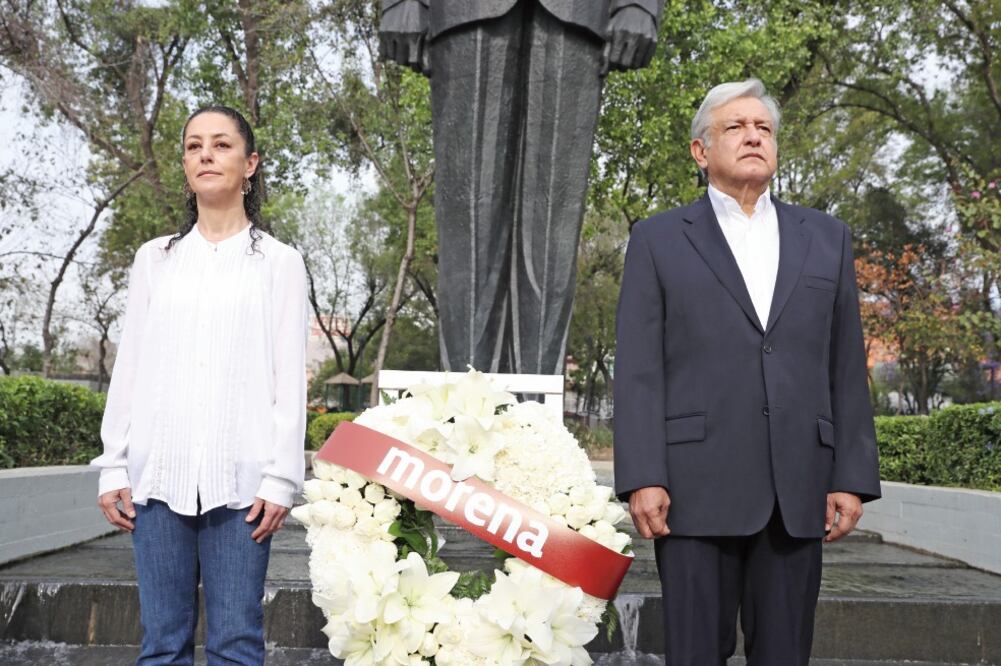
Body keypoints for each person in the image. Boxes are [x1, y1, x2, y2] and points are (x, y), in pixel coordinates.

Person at [613, 79, 881, 665]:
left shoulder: (826, 239)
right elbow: (637, 370)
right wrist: (642, 476)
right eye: (735, 127)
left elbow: (844, 361)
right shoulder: (657, 240)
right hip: (691, 491)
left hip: (797, 491)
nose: (754, 136)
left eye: (763, 128)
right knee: (694, 653)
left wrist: (851, 476)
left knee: (786, 653)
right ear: (700, 150)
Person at [91, 105, 309, 665]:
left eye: (221, 144)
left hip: (243, 489)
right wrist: (113, 465)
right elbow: (132, 365)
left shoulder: (281, 264)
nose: (205, 155)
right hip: (157, 481)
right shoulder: (154, 260)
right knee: (161, 646)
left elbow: (290, 379)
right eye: (193, 146)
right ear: (185, 166)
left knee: (236, 644)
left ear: (250, 162)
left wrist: (281, 478)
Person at [379, 0, 665, 375]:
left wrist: (638, 5)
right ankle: (463, 414)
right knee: (468, 218)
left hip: (579, 14)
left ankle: (538, 417)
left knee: (554, 223)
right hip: (464, 13)